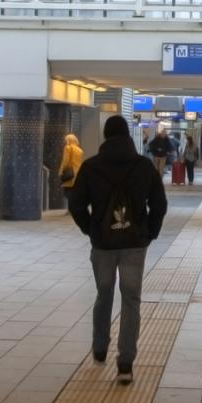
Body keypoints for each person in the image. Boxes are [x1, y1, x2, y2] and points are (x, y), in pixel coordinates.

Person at [69, 115, 166, 384]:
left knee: (104, 292)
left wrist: (91, 229)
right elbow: (159, 204)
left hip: (103, 243)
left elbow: (76, 205)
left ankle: (100, 346)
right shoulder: (144, 167)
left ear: (106, 136)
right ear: (127, 136)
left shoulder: (91, 167)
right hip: (135, 242)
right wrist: (150, 232)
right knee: (131, 298)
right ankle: (125, 362)